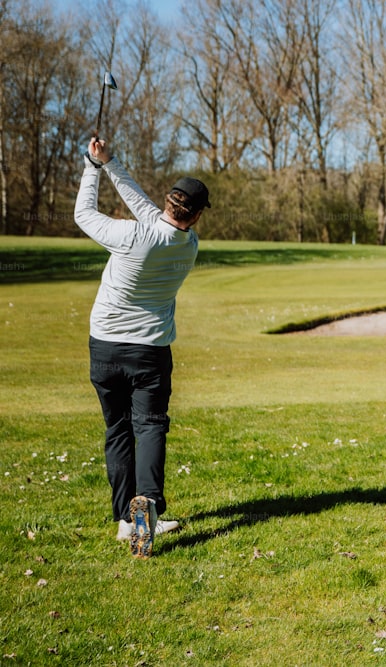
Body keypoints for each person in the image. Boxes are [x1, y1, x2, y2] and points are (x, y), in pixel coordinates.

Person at [74, 137, 210, 558]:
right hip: (149, 352)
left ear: (169, 201)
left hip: (106, 349)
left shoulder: (132, 235)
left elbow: (83, 214)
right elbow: (148, 211)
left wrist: (93, 167)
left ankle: (125, 520)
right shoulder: (188, 246)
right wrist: (111, 161)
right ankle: (144, 514)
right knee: (149, 427)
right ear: (198, 214)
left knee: (118, 430)